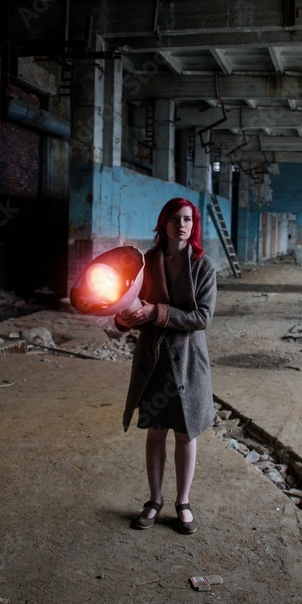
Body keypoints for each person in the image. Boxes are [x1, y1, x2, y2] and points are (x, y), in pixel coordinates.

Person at [115, 197, 217, 534]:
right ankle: (154, 500)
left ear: (194, 225)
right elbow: (129, 302)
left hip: (187, 362)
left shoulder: (203, 267)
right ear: (165, 222)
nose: (182, 225)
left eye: (187, 219)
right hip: (155, 361)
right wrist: (125, 317)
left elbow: (202, 317)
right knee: (156, 432)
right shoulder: (146, 262)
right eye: (175, 218)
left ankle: (182, 502)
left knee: (186, 434)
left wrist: (156, 312)